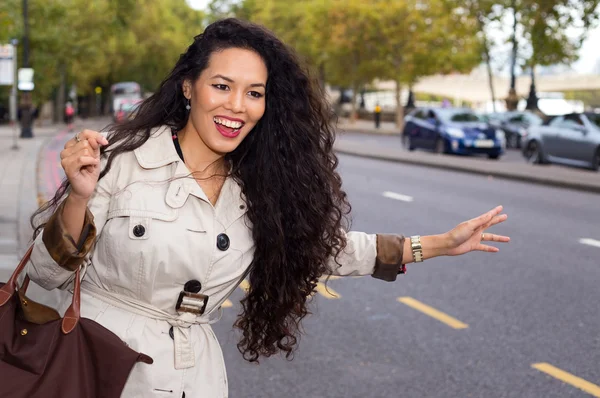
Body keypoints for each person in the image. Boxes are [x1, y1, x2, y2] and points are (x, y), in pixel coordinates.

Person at [27, 18, 509, 397]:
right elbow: (48, 274)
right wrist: (81, 195)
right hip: (98, 368)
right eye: (222, 86)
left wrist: (440, 244)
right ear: (188, 88)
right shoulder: (120, 159)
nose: (238, 105)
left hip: (195, 379)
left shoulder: (263, 188)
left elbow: (329, 250)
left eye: (254, 93)